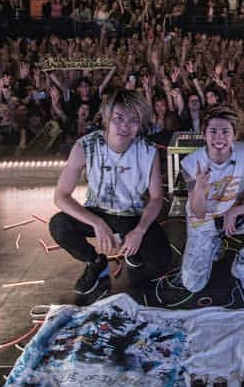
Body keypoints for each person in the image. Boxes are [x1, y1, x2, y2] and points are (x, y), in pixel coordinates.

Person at [49, 90, 171, 304]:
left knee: (162, 260)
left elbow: (156, 198)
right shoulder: (85, 146)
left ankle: (133, 253)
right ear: (107, 117)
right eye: (119, 118)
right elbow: (61, 196)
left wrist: (139, 231)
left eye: (134, 120)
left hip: (131, 214)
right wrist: (96, 223)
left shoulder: (147, 150)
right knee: (59, 224)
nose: (125, 126)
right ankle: (95, 262)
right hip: (97, 210)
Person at [179, 105, 244, 294]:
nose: (219, 137)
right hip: (204, 220)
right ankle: (214, 243)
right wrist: (200, 189)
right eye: (213, 131)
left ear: (234, 134)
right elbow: (198, 212)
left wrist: (235, 211)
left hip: (234, 216)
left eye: (225, 131)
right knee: (193, 285)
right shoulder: (191, 163)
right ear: (203, 133)